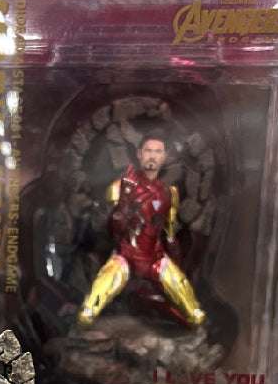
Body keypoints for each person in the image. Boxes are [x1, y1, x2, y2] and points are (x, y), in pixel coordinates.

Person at [76, 133, 205, 330]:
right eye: (148, 151)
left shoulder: (169, 193)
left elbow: (170, 235)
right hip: (125, 255)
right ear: (139, 154)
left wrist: (177, 263)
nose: (152, 156)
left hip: (155, 257)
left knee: (195, 314)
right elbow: (114, 229)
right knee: (88, 311)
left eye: (158, 152)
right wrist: (125, 199)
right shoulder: (119, 188)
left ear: (164, 156)